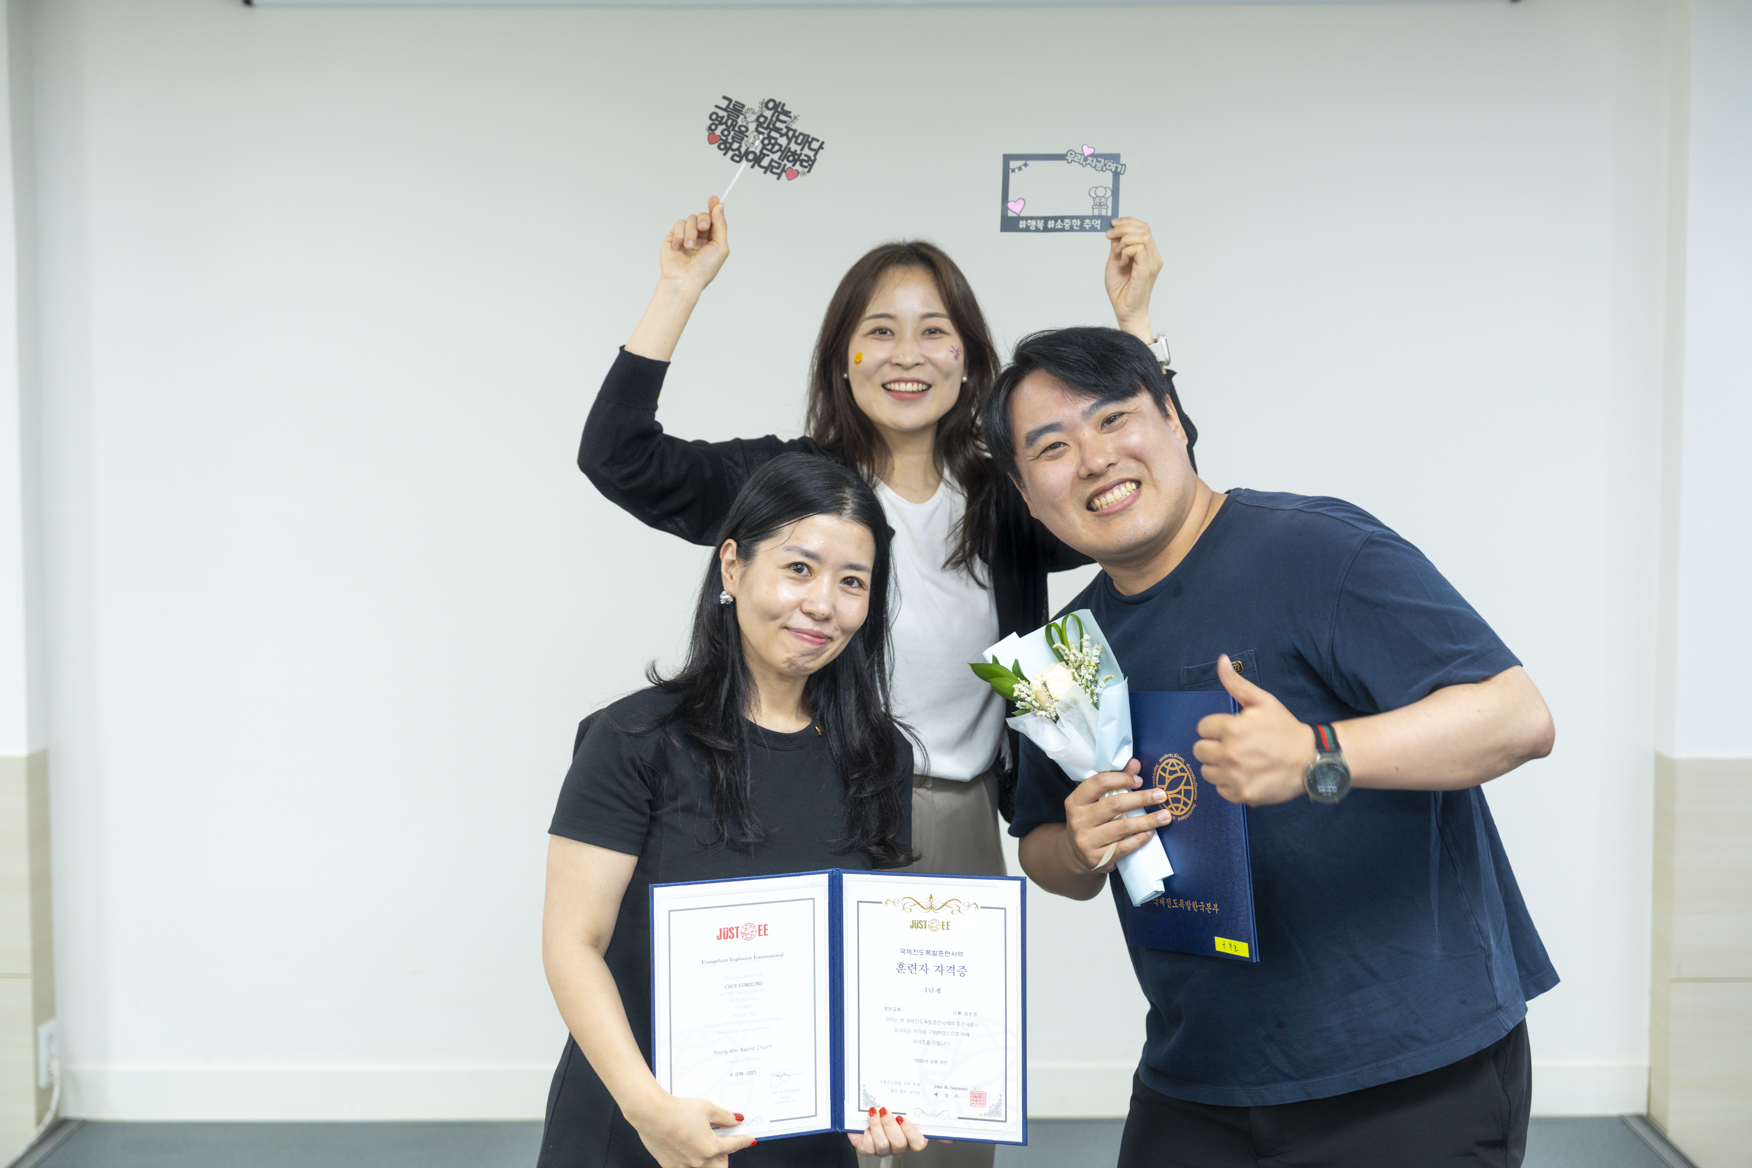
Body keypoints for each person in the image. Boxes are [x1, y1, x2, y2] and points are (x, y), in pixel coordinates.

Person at [983, 327, 1559, 1168]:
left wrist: (1316, 755)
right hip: (1198, 1078)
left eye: (1113, 420)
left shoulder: (1318, 549)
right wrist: (1078, 844)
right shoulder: (1067, 652)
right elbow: (1043, 850)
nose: (1094, 459)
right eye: (1052, 447)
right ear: (1025, 492)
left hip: (1407, 1068)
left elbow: (1517, 718)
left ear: (1174, 417)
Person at [580, 195, 1193, 899]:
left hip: (960, 815)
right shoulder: (790, 483)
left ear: (970, 360)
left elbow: (1160, 486)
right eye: (880, 331)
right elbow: (619, 456)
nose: (907, 355)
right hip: (808, 802)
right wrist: (678, 288)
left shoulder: (1012, 496)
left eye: (934, 330)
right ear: (843, 360)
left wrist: (1135, 323)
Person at [539, 454, 929, 1168]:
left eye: (852, 582)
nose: (823, 605)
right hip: (640, 1123)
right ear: (732, 566)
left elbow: (872, 962)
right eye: (799, 568)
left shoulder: (880, 757)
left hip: (803, 1138)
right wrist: (649, 1110)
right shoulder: (633, 739)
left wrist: (888, 1087)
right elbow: (574, 944)